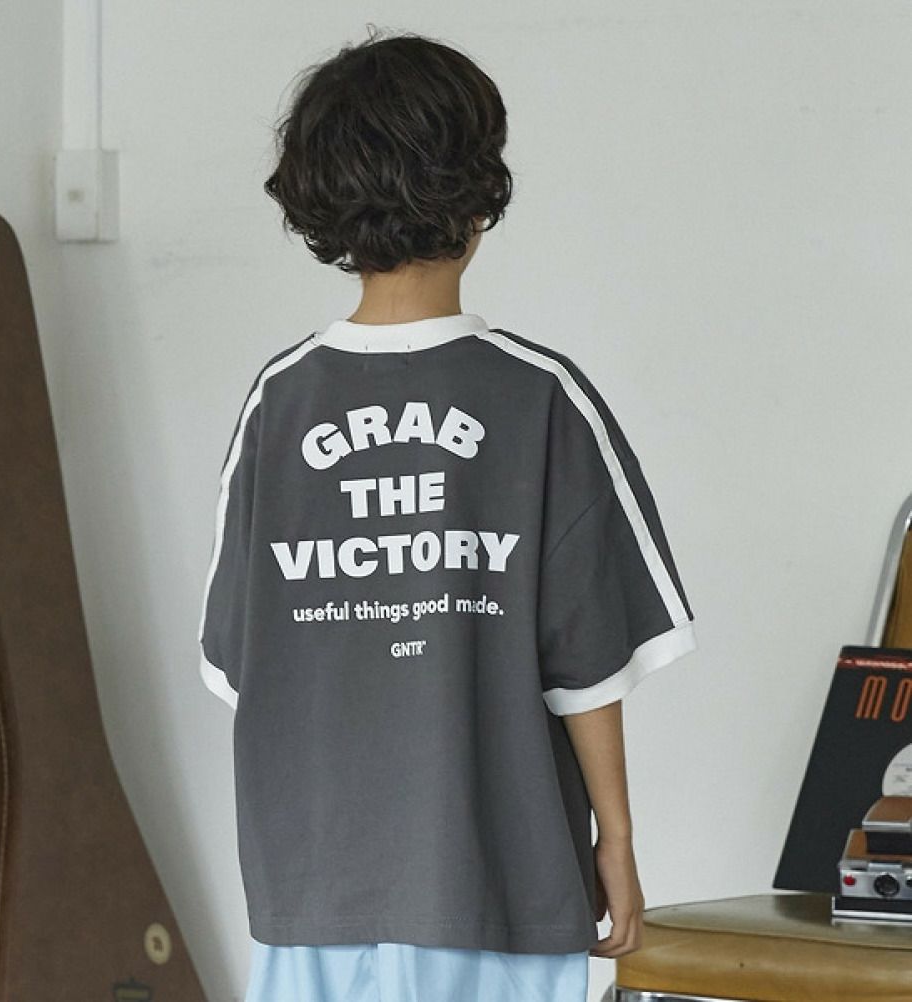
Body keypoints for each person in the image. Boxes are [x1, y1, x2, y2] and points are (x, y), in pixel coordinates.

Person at [197, 25, 698, 1002]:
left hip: (311, 892)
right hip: (499, 888)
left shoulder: (277, 403)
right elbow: (586, 662)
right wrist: (618, 842)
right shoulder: (539, 397)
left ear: (321, 198)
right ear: (479, 194)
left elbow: (236, 663)